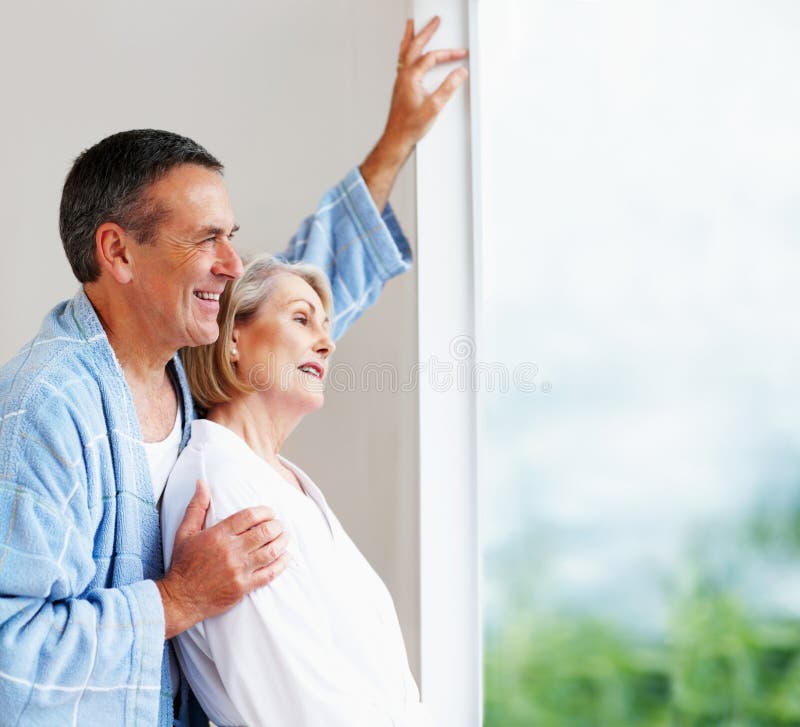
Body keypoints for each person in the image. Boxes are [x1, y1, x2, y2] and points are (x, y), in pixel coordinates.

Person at [0, 17, 467, 726]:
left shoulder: (182, 376)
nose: (231, 262)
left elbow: (284, 303)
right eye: (205, 239)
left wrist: (396, 140)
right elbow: (9, 657)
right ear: (119, 253)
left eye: (233, 237)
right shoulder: (47, 407)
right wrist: (176, 599)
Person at [162, 254, 431, 726]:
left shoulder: (283, 481)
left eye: (324, 326)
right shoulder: (221, 487)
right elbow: (297, 707)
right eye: (301, 318)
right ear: (233, 341)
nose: (326, 344)